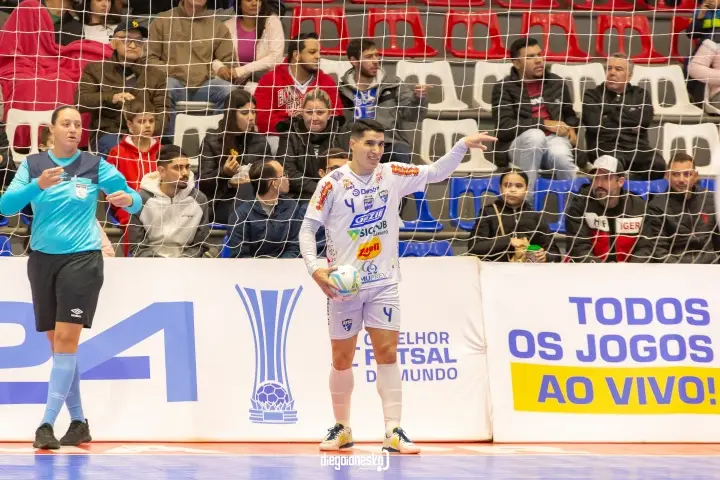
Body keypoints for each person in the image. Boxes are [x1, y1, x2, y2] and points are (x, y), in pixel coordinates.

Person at [299, 119, 496, 453]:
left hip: (384, 282)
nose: (376, 150)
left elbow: (436, 172)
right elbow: (307, 229)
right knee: (341, 358)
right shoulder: (332, 183)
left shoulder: (391, 174)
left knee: (387, 353)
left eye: (381, 144)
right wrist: (315, 269)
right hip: (343, 286)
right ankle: (342, 428)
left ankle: (393, 430)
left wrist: (461, 146)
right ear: (352, 144)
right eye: (369, 143)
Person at [0, 105, 141, 449]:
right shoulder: (34, 165)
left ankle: (46, 424)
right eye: (66, 123)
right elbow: (5, 206)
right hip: (42, 261)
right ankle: (79, 422)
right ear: (52, 129)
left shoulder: (94, 165)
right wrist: (37, 185)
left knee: (65, 340)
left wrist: (129, 199)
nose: (73, 129)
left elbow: (135, 201)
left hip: (83, 259)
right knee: (60, 346)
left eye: (77, 124)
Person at [492, 37, 578, 200]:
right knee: (535, 135)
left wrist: (571, 128)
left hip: (552, 141)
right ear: (517, 63)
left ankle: (572, 208)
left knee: (562, 156)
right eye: (530, 57)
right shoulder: (503, 87)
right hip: (519, 145)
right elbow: (504, 127)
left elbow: (569, 114)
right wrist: (543, 124)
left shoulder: (557, 83)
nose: (539, 60)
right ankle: (527, 204)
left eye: (539, 54)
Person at [75, 19, 169, 155]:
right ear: (113, 42)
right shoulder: (95, 70)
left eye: (138, 41)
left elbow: (163, 111)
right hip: (110, 133)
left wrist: (146, 130)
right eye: (126, 40)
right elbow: (80, 101)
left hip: (145, 135)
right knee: (120, 152)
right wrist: (112, 97)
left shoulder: (156, 75)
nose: (133, 45)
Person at [147, 0, 237, 138]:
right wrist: (173, 71)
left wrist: (218, 69)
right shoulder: (162, 20)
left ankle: (216, 141)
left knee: (229, 90)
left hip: (204, 86)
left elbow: (229, 63)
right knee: (166, 87)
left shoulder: (217, 26)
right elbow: (149, 58)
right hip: (174, 83)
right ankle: (169, 145)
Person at [338, 38, 427, 164]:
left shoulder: (393, 84)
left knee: (400, 152)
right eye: (369, 57)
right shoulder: (342, 90)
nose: (376, 61)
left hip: (387, 144)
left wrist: (418, 99)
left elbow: (414, 116)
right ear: (354, 61)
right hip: (354, 146)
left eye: (376, 55)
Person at [582, 53, 664, 180]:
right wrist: (630, 118)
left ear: (629, 75)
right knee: (613, 164)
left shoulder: (641, 94)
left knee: (658, 164)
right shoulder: (592, 95)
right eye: (609, 68)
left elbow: (644, 121)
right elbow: (594, 126)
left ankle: (638, 191)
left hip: (636, 147)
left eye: (618, 69)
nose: (612, 72)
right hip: (605, 146)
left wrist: (608, 114)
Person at [198, 88, 270, 224]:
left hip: (255, 199)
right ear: (231, 114)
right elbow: (203, 184)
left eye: (254, 112)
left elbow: (270, 176)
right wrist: (224, 173)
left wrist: (252, 181)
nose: (251, 117)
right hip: (222, 201)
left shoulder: (260, 141)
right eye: (245, 113)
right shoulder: (212, 141)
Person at [565, 155, 654, 263]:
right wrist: (603, 270)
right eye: (596, 178)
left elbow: (646, 248)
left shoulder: (639, 207)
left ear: (620, 182)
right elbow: (579, 248)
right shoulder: (580, 205)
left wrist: (629, 269)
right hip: (590, 270)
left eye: (606, 178)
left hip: (628, 270)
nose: (599, 184)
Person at [129, 145, 210, 258]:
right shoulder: (141, 199)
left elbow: (200, 245)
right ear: (162, 171)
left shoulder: (199, 199)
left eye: (187, 167)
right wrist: (160, 263)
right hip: (150, 262)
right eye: (178, 168)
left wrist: (182, 261)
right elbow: (136, 246)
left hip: (187, 262)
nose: (185, 173)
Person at [254, 32, 343, 134]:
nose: (318, 56)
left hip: (318, 136)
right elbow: (262, 119)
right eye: (312, 52)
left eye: (319, 52)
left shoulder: (327, 82)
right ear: (296, 55)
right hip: (281, 137)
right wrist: (296, 126)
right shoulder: (270, 80)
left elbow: (337, 115)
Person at [468, 169, 561, 262]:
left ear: (526, 190)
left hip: (528, 269)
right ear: (500, 189)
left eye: (519, 186)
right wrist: (508, 241)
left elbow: (556, 254)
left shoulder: (536, 217)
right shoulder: (488, 212)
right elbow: (474, 249)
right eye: (507, 185)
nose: (513, 190)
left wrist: (546, 256)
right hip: (495, 267)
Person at [646, 152, 720, 263]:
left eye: (687, 174)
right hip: (676, 267)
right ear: (667, 176)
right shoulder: (657, 206)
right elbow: (659, 251)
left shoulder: (710, 199)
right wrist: (681, 270)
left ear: (695, 176)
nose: (681, 179)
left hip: (711, 266)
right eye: (675, 174)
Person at [278, 88, 350, 200]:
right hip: (300, 197)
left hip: (338, 194)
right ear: (302, 113)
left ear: (329, 114)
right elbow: (288, 171)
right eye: (309, 112)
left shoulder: (343, 134)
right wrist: (320, 189)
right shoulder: (289, 135)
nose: (314, 118)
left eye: (320, 112)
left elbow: (348, 168)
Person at [227, 159, 302, 258]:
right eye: (284, 175)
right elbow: (241, 256)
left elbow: (295, 247)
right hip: (252, 267)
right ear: (274, 183)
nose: (288, 178)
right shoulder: (240, 216)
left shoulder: (292, 207)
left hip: (285, 266)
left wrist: (281, 265)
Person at [106, 101, 161, 226]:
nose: (148, 125)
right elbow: (111, 188)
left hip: (160, 206)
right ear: (130, 124)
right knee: (133, 218)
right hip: (128, 206)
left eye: (151, 121)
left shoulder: (162, 151)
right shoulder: (117, 153)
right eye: (141, 121)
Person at [217, 0, 285, 83]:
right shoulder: (227, 26)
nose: (254, 3)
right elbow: (214, 56)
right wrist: (219, 67)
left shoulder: (273, 21)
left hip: (265, 81)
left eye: (258, 0)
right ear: (239, 4)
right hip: (233, 83)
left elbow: (276, 58)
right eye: (249, 0)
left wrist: (243, 70)